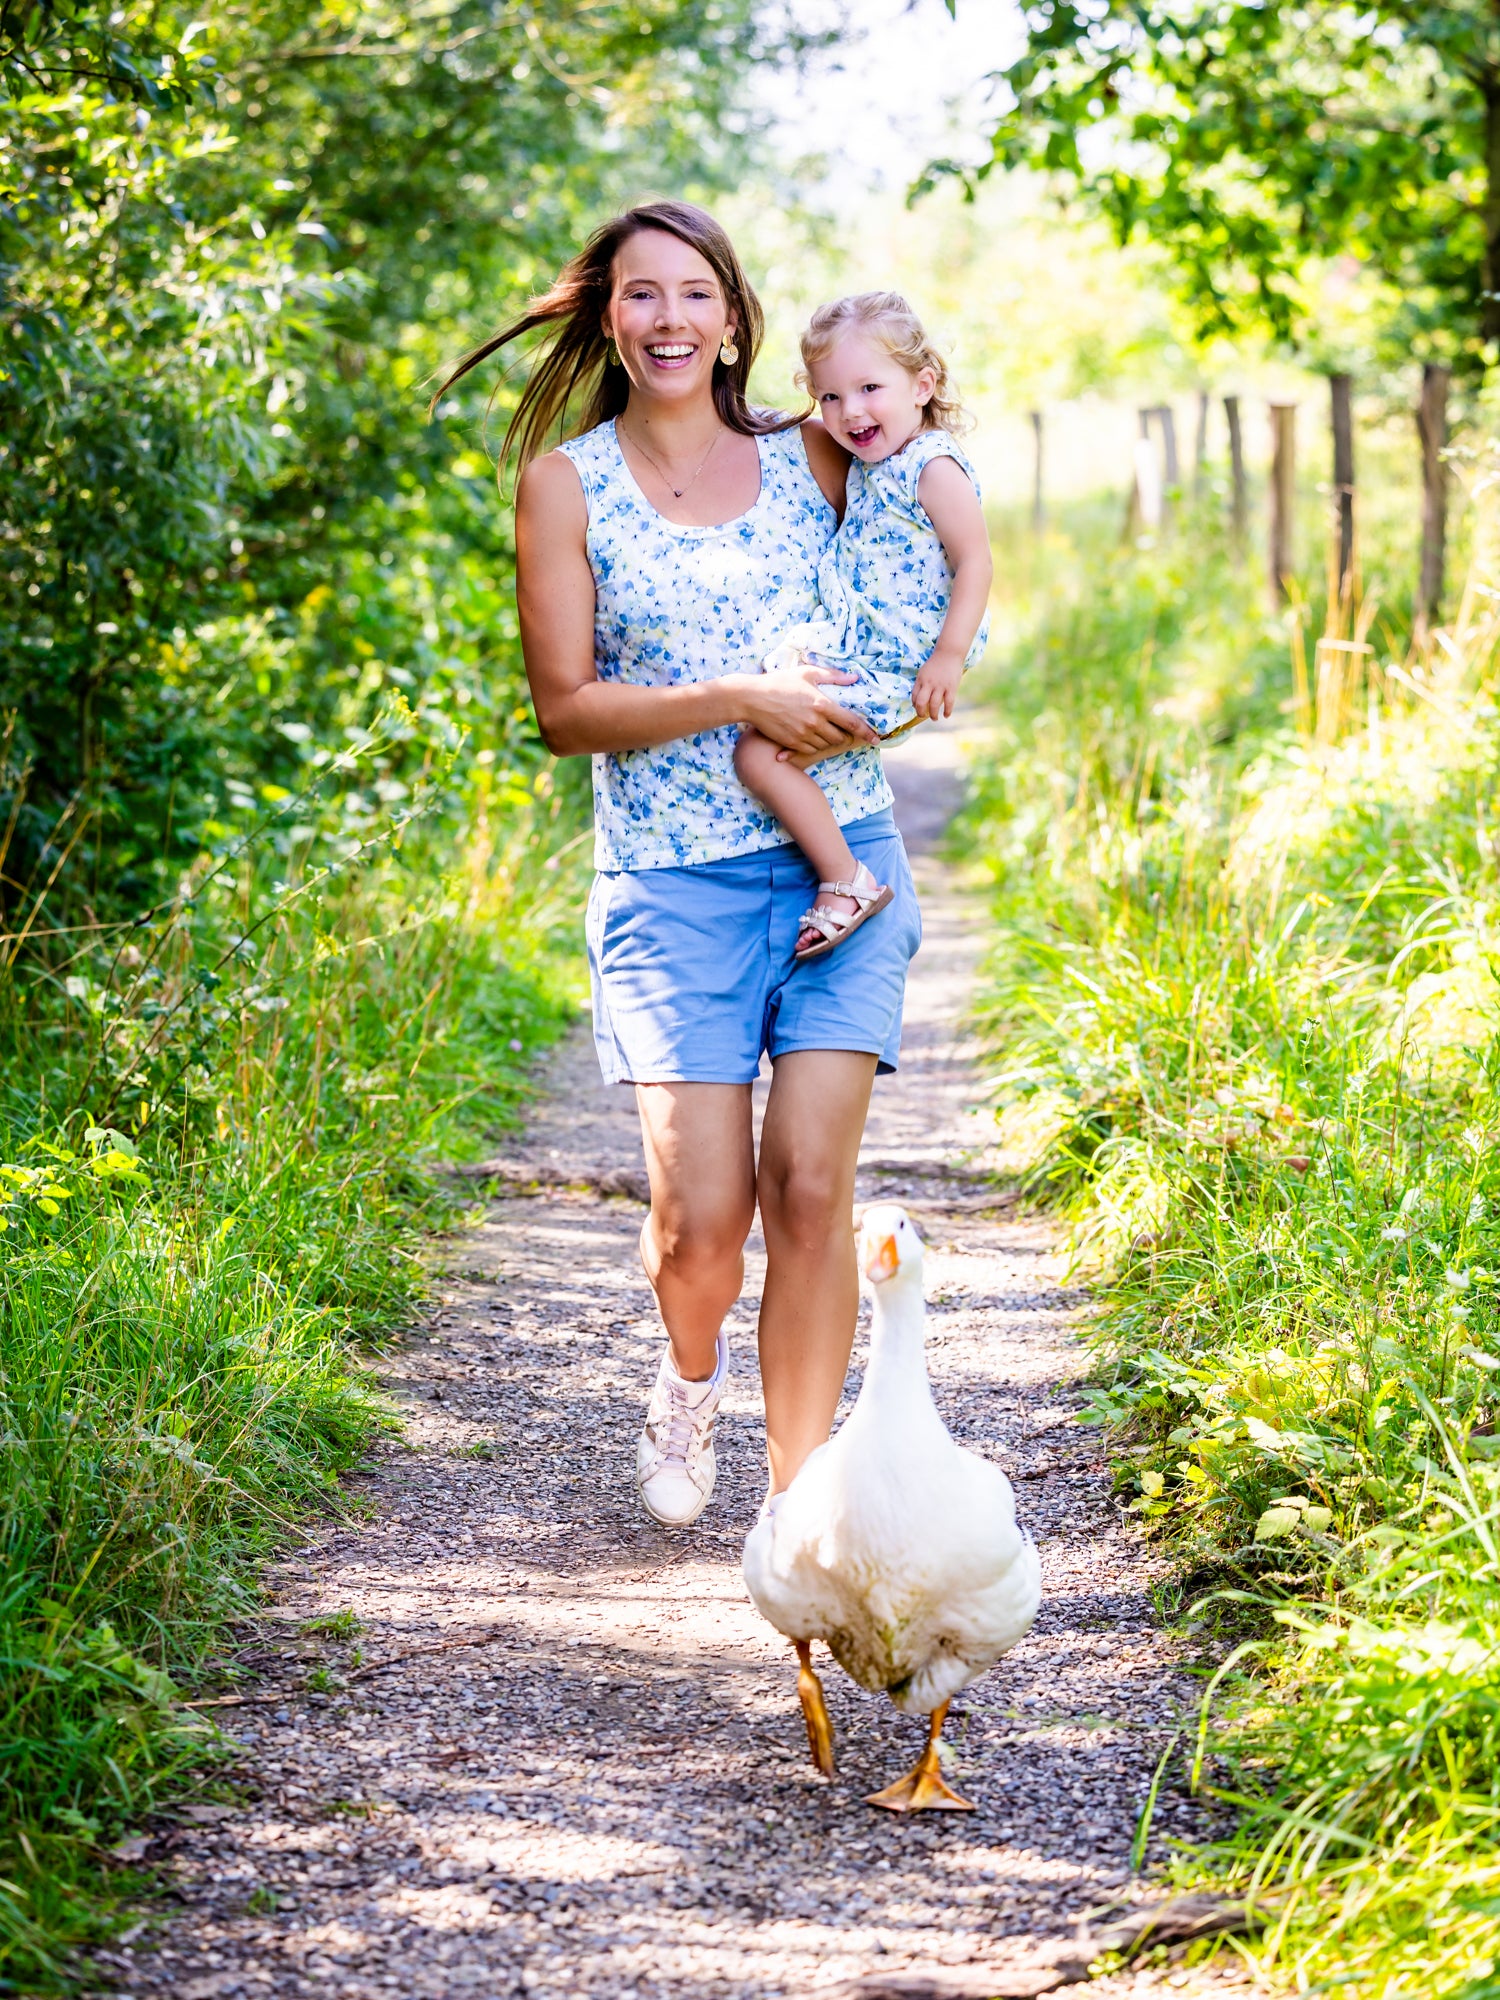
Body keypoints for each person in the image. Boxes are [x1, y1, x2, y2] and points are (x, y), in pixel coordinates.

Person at [433, 201, 922, 1528]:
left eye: (693, 294)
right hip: (671, 885)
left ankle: (800, 1512)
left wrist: (936, 656)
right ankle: (690, 1376)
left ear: (730, 315)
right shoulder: (566, 485)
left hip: (845, 865)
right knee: (703, 1226)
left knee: (813, 1190)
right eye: (641, 295)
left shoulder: (815, 451)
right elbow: (566, 709)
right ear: (608, 316)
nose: (668, 320)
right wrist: (735, 697)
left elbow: (935, 501)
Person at [732, 293, 992, 961]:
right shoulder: (874, 467)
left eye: (870, 388)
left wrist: (948, 656)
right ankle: (832, 839)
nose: (851, 412)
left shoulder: (931, 467)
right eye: (831, 398)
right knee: (777, 697)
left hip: (900, 663)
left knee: (759, 754)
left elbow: (976, 562)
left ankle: (846, 879)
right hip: (864, 645)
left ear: (922, 385)